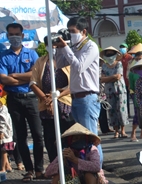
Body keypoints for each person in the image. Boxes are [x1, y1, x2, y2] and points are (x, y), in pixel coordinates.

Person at [54, 17, 103, 165]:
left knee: (91, 139)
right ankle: (86, 170)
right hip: (75, 98)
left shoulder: (90, 46)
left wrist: (66, 48)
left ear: (83, 31)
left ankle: (97, 171)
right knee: (82, 138)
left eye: (73, 32)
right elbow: (60, 64)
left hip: (87, 98)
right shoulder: (74, 47)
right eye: (68, 31)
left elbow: (79, 66)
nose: (70, 35)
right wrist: (59, 47)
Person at [0, 22, 45, 181]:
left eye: (17, 34)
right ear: (7, 36)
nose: (14, 38)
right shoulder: (3, 56)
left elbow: (36, 75)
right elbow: (3, 78)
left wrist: (15, 76)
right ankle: (29, 170)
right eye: (11, 35)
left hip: (32, 98)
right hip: (14, 100)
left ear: (22, 35)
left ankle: (40, 169)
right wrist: (25, 78)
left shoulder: (31, 54)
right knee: (20, 136)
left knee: (38, 135)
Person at [42, 123, 107, 184]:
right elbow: (47, 172)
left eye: (80, 138)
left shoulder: (92, 149)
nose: (77, 141)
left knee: (89, 174)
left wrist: (76, 160)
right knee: (57, 174)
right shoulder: (66, 151)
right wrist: (62, 161)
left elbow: (96, 167)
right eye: (75, 139)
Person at [29, 53, 75, 162]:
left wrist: (57, 95)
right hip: (46, 105)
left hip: (65, 104)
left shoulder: (68, 59)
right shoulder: (40, 61)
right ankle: (55, 169)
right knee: (50, 139)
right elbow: (33, 83)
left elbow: (74, 83)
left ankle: (70, 168)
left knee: (69, 137)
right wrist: (47, 100)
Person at [100, 47, 129, 138]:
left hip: (119, 89)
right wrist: (112, 78)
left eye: (111, 54)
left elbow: (118, 76)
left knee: (121, 109)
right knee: (111, 110)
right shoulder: (104, 66)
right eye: (108, 54)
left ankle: (123, 130)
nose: (109, 56)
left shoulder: (118, 64)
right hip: (109, 91)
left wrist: (108, 78)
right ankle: (116, 131)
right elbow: (102, 79)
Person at [128, 49, 142, 142]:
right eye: (137, 59)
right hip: (137, 98)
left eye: (140, 59)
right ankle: (133, 133)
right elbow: (131, 86)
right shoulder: (132, 73)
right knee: (137, 116)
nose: (138, 61)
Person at [0, 87, 14, 173]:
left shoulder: (2, 108)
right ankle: (7, 165)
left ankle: (3, 167)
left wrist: (1, 131)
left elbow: (2, 120)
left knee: (4, 150)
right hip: (6, 133)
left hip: (4, 133)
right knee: (4, 150)